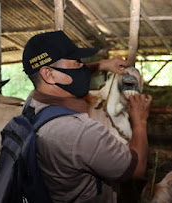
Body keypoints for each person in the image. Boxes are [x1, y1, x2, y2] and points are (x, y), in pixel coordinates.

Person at [22, 30, 152, 202]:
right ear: (49, 74)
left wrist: (102, 65)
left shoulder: (32, 103)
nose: (82, 67)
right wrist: (140, 121)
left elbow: (65, 75)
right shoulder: (81, 132)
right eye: (76, 63)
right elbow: (138, 169)